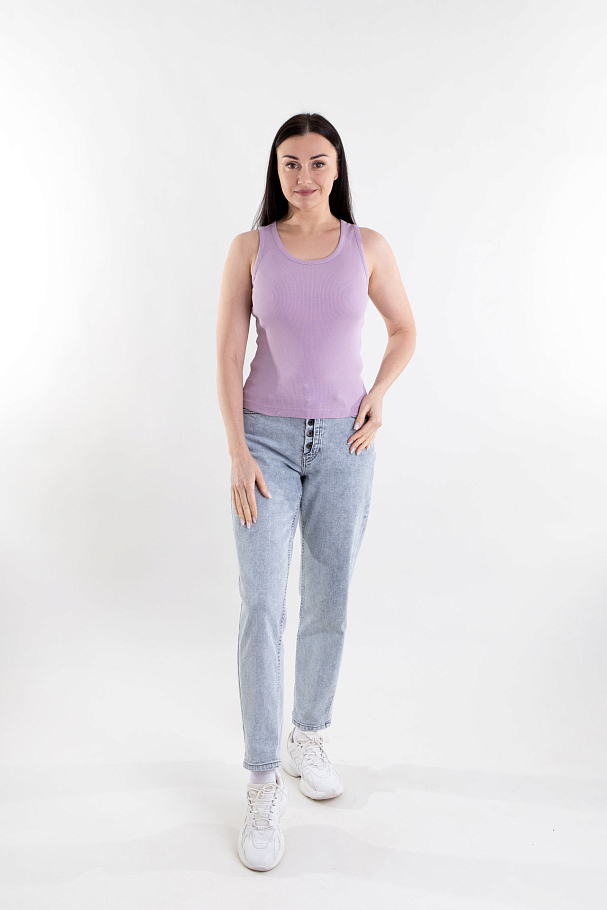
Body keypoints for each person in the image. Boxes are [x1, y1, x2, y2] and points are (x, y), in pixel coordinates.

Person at [216, 112, 416, 872]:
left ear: (337, 169)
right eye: (291, 164)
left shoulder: (369, 248)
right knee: (263, 605)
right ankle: (262, 778)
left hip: (344, 445)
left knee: (328, 600)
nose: (304, 176)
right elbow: (227, 353)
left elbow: (404, 330)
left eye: (317, 162)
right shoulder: (250, 249)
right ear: (276, 172)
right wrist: (237, 450)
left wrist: (378, 396)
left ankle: (308, 735)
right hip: (264, 443)